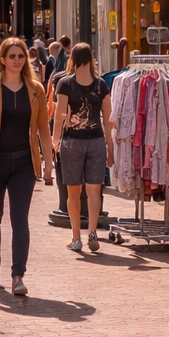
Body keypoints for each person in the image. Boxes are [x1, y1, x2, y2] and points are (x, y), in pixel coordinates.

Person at [0, 37, 54, 296]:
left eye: (20, 56)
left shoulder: (35, 89)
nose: (17, 60)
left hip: (24, 162)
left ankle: (18, 275)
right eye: (12, 56)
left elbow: (42, 129)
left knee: (20, 220)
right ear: (2, 59)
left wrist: (49, 163)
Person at [51, 42, 113, 254]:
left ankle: (76, 236)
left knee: (73, 191)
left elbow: (59, 116)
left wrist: (54, 141)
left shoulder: (65, 83)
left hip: (72, 141)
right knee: (95, 190)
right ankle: (93, 232)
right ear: (91, 59)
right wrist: (111, 147)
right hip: (96, 140)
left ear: (73, 59)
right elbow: (108, 119)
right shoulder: (101, 85)